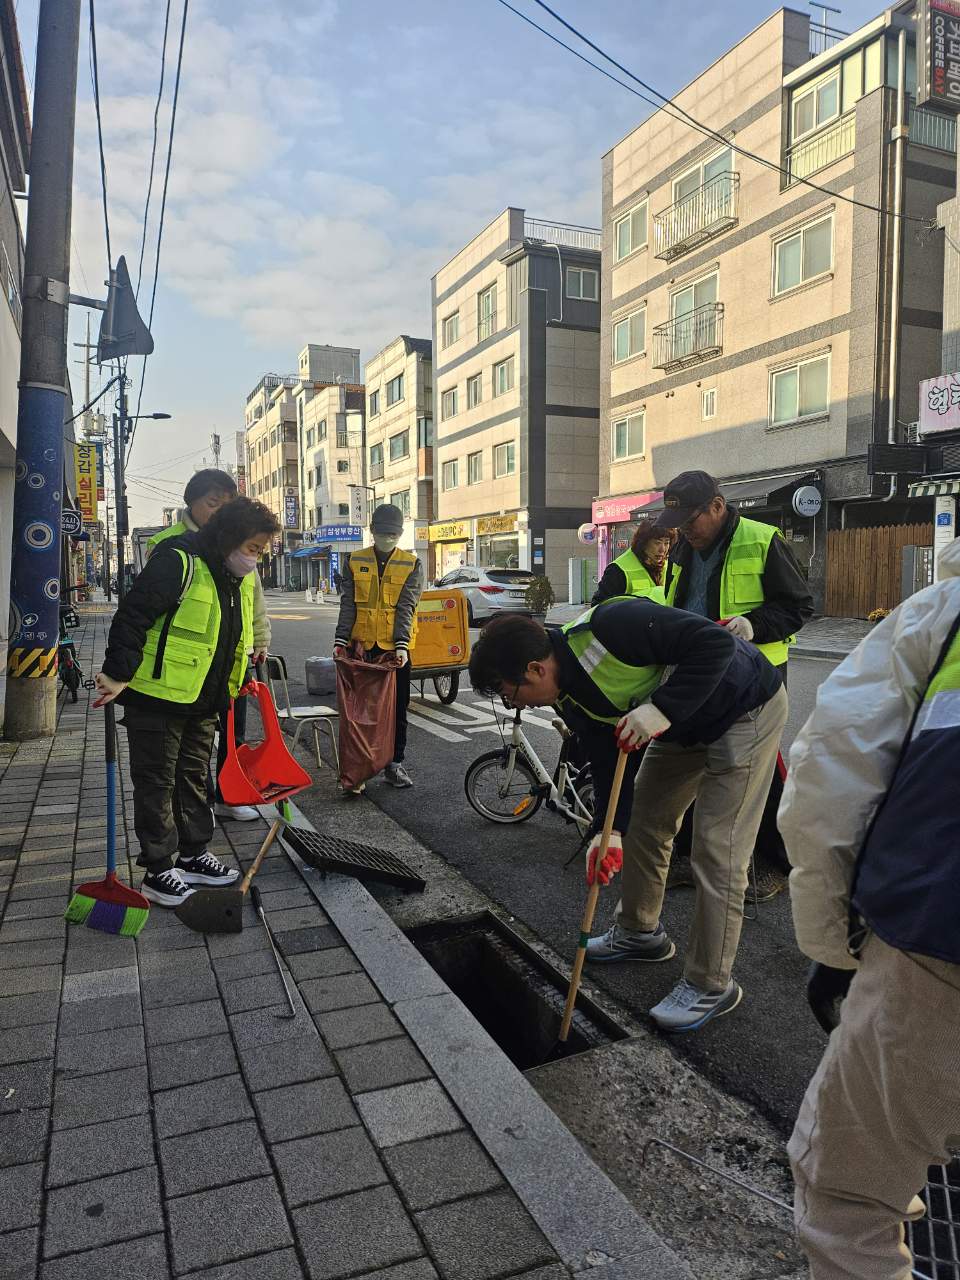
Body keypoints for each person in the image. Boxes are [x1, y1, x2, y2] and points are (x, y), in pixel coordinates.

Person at [468, 598, 786, 1032]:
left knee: (717, 848)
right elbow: (607, 758)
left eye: (510, 695)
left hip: (743, 707)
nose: (516, 706)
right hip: (682, 725)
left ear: (535, 669)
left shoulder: (613, 625)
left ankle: (712, 983)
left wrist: (662, 709)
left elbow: (715, 644)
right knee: (644, 822)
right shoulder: (567, 697)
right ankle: (639, 932)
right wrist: (608, 830)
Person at [778, 535, 960, 1279]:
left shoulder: (944, 612)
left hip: (940, 942)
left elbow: (831, 779)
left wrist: (833, 946)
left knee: (847, 1200)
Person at [94, 498, 281, 907]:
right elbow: (133, 616)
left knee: (193, 779)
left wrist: (238, 681)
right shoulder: (179, 560)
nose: (255, 559)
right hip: (157, 698)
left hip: (203, 700)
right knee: (157, 784)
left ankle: (194, 855)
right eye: (252, 548)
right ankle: (159, 871)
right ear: (229, 537)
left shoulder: (230, 577)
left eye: (260, 551)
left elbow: (228, 638)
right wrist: (117, 673)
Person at [654, 470, 813, 899]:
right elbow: (678, 601)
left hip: (752, 677)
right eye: (679, 523)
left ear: (717, 506)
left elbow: (798, 606)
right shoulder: (685, 546)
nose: (685, 530)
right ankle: (688, 856)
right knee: (694, 759)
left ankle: (775, 863)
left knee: (756, 771)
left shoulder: (762, 539)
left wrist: (752, 624)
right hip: (697, 671)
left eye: (691, 519)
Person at [148, 469, 271, 823]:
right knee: (189, 743)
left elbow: (254, 596)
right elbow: (149, 608)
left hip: (235, 656)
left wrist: (260, 637)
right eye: (213, 502)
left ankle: (229, 796)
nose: (219, 511)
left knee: (234, 732)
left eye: (226, 504)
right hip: (188, 664)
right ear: (192, 501)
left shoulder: (238, 541)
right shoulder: (168, 543)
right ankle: (194, 807)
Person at [334, 503, 424, 790]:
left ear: (400, 534)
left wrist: (402, 645)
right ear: (372, 531)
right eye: (383, 533)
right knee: (359, 713)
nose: (388, 538)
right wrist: (340, 640)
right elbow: (348, 604)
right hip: (361, 647)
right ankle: (358, 770)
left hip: (394, 651)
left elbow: (407, 606)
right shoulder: (354, 560)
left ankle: (394, 764)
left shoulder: (412, 563)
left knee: (397, 710)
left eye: (393, 534)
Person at [592, 519, 675, 605]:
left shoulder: (670, 567)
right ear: (643, 543)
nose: (662, 549)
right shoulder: (618, 569)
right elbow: (599, 606)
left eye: (666, 543)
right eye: (657, 543)